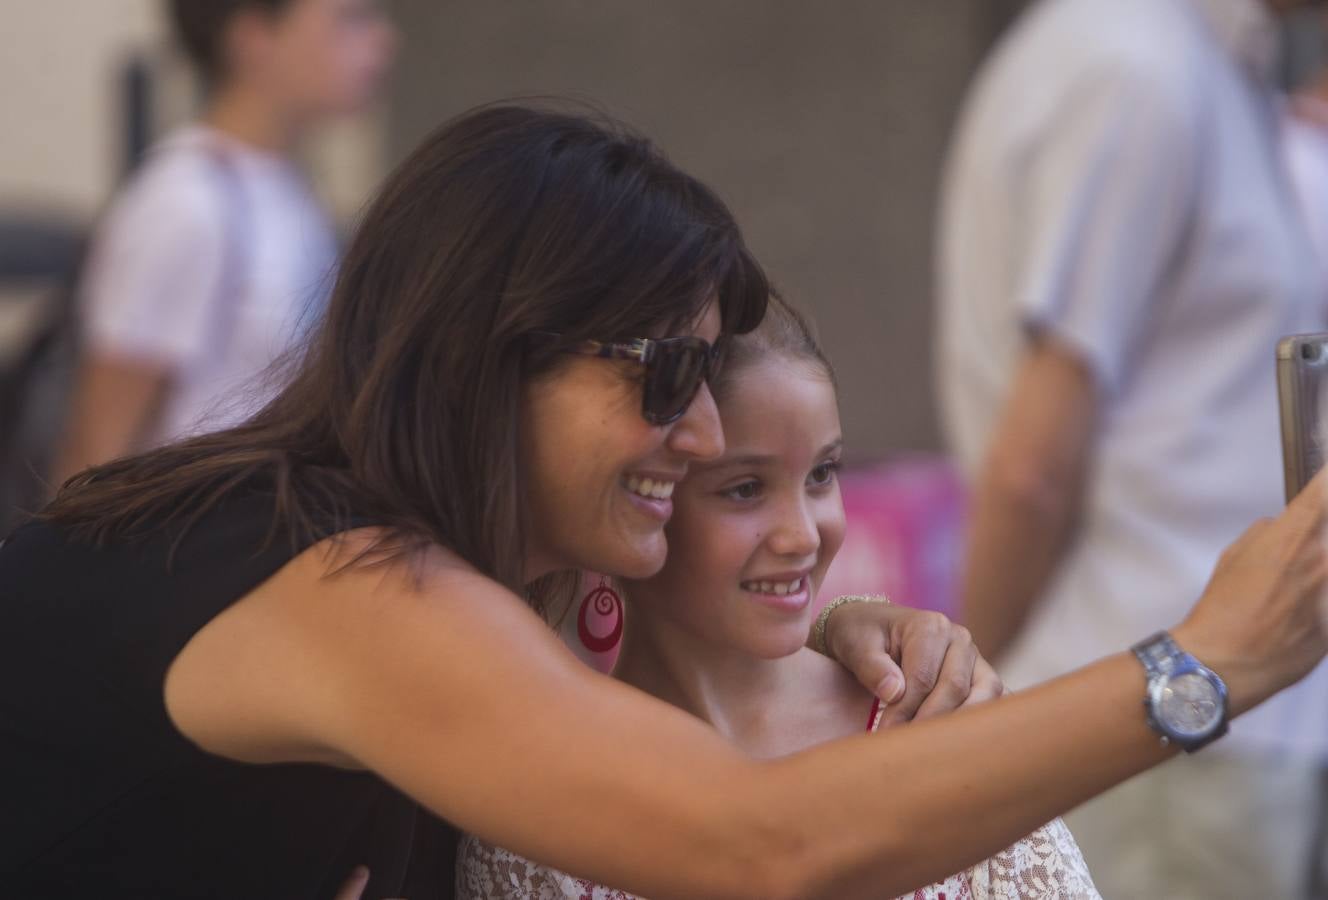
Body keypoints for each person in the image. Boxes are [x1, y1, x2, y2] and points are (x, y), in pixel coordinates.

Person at [1, 104, 1323, 900]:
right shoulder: (350, 584)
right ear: (492, 352)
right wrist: (1200, 665)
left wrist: (823, 621)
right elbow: (758, 846)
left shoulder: (381, 559)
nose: (696, 434)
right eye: (667, 372)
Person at [457, 294, 1102, 899]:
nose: (803, 536)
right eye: (744, 489)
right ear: (647, 496)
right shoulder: (537, 802)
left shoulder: (937, 711)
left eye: (822, 474)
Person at [936, 0, 1328, 896]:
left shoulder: (1204, 65)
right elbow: (1033, 464)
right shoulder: (1131, 66)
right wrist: (967, 708)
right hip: (1156, 733)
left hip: (1208, 725)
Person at [49, 0, 395, 485]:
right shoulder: (184, 200)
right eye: (350, 19)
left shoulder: (286, 186)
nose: (383, 40)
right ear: (253, 36)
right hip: (184, 544)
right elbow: (97, 449)